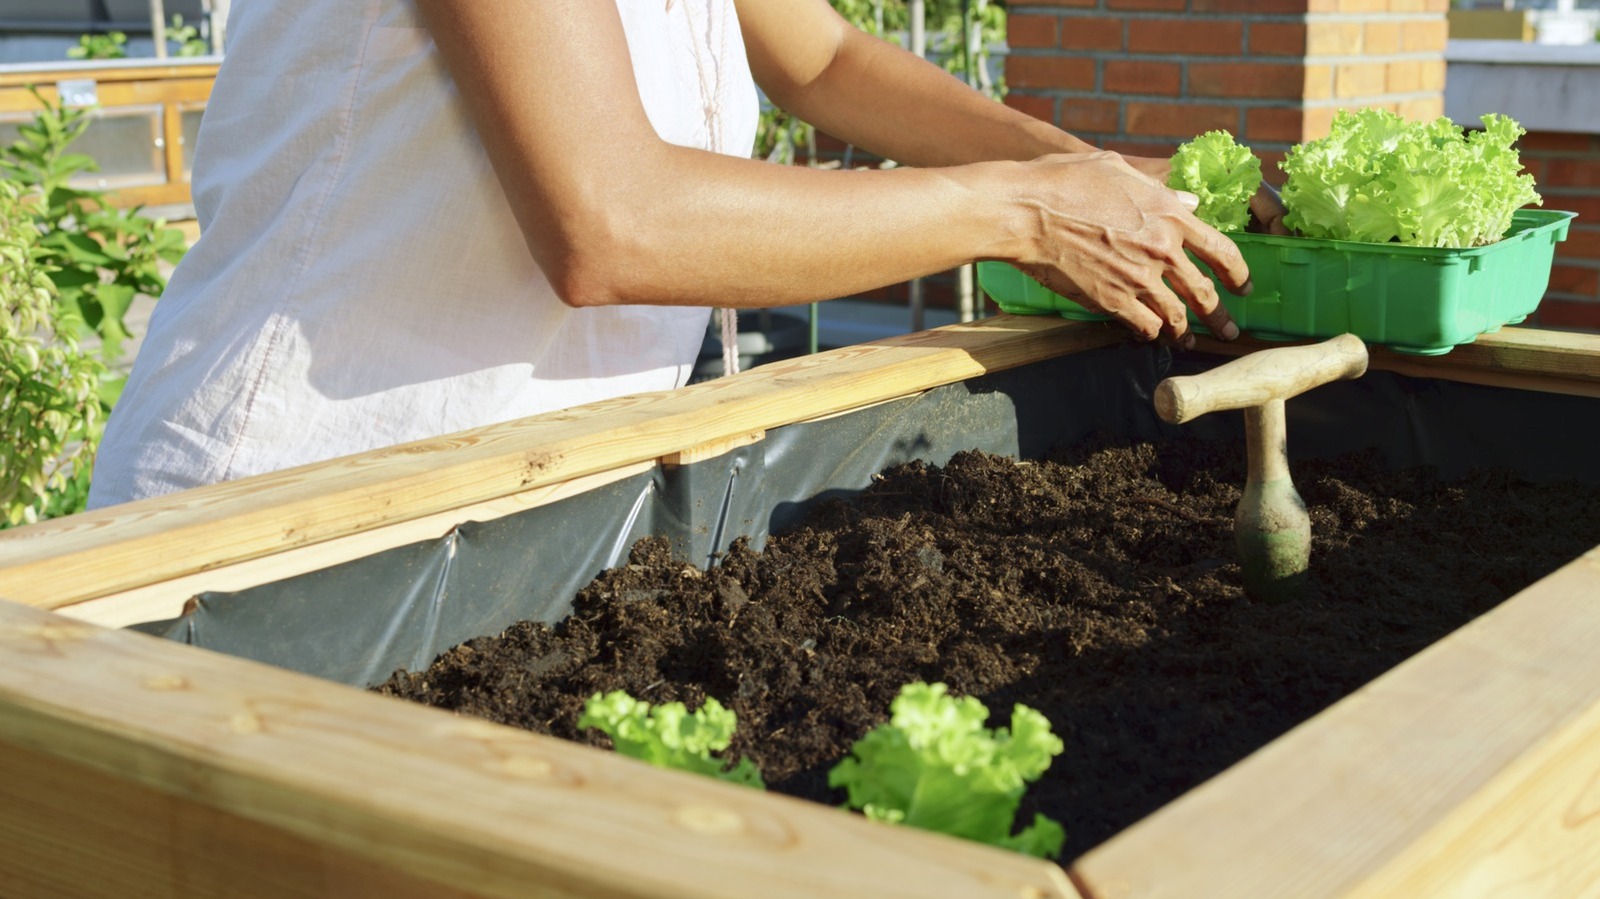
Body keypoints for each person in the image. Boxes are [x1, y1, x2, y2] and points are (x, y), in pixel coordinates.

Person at [87, 0, 1283, 509]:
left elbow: (818, 59)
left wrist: (1102, 186)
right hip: (287, 505)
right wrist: (1022, 212)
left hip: (508, 499)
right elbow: (611, 220)